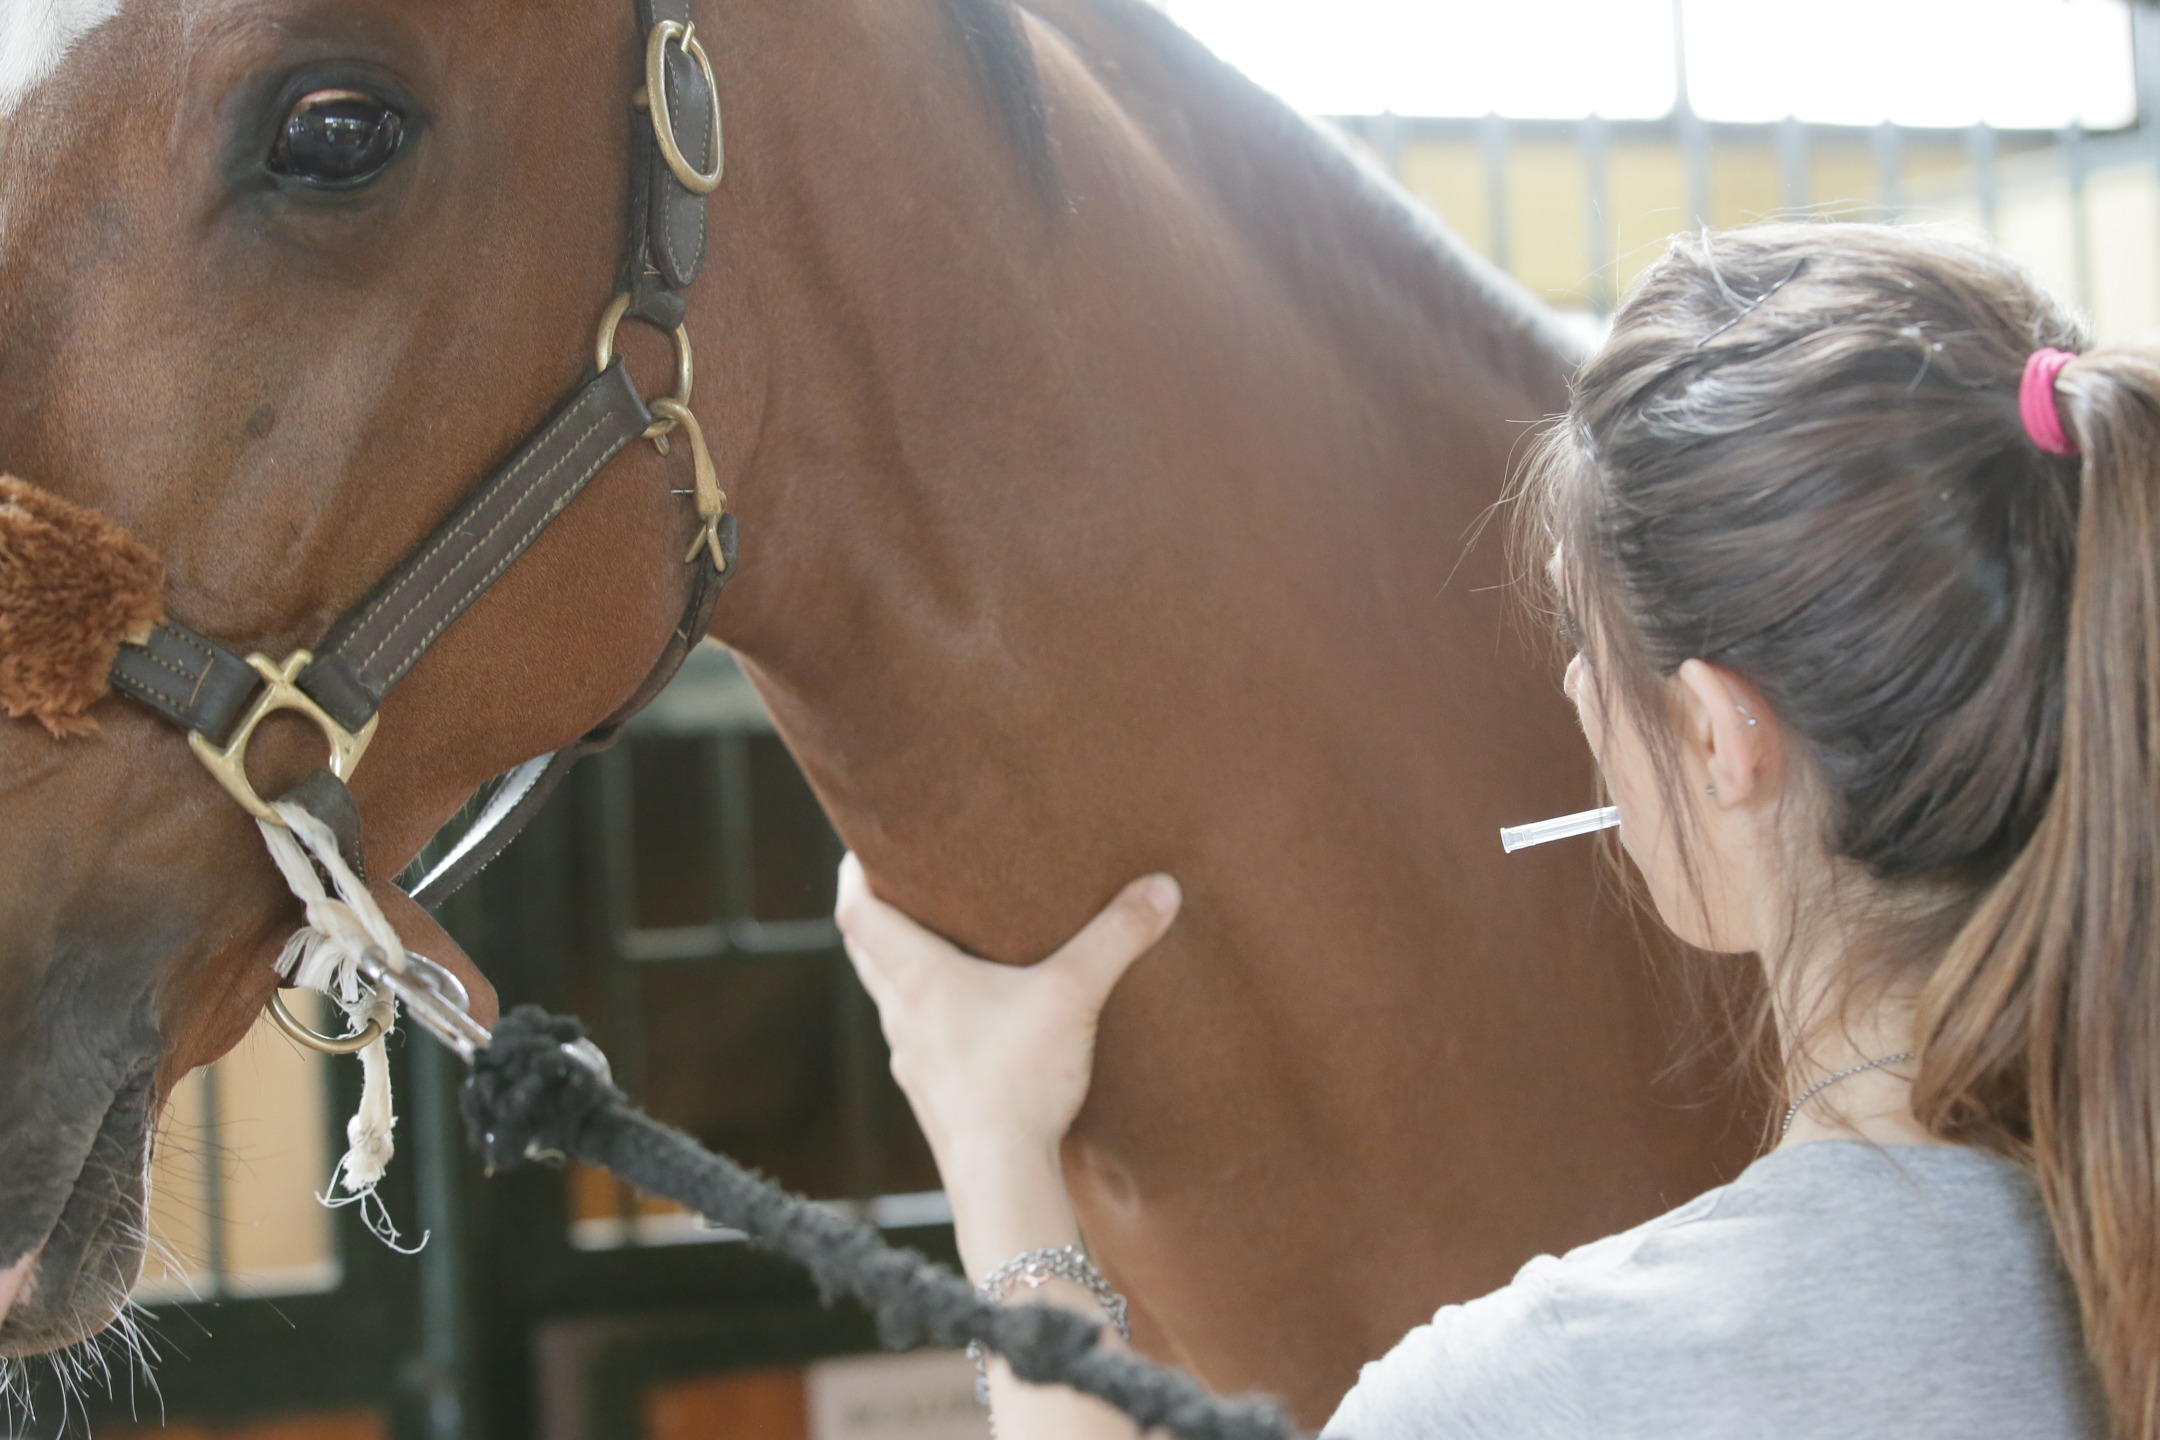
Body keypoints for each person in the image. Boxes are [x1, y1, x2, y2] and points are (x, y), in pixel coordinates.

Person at [834, 223, 2149, 1439]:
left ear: (1718, 737)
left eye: (1590, 644)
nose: (1579, 692)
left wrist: (995, 1144)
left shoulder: (1545, 1394)